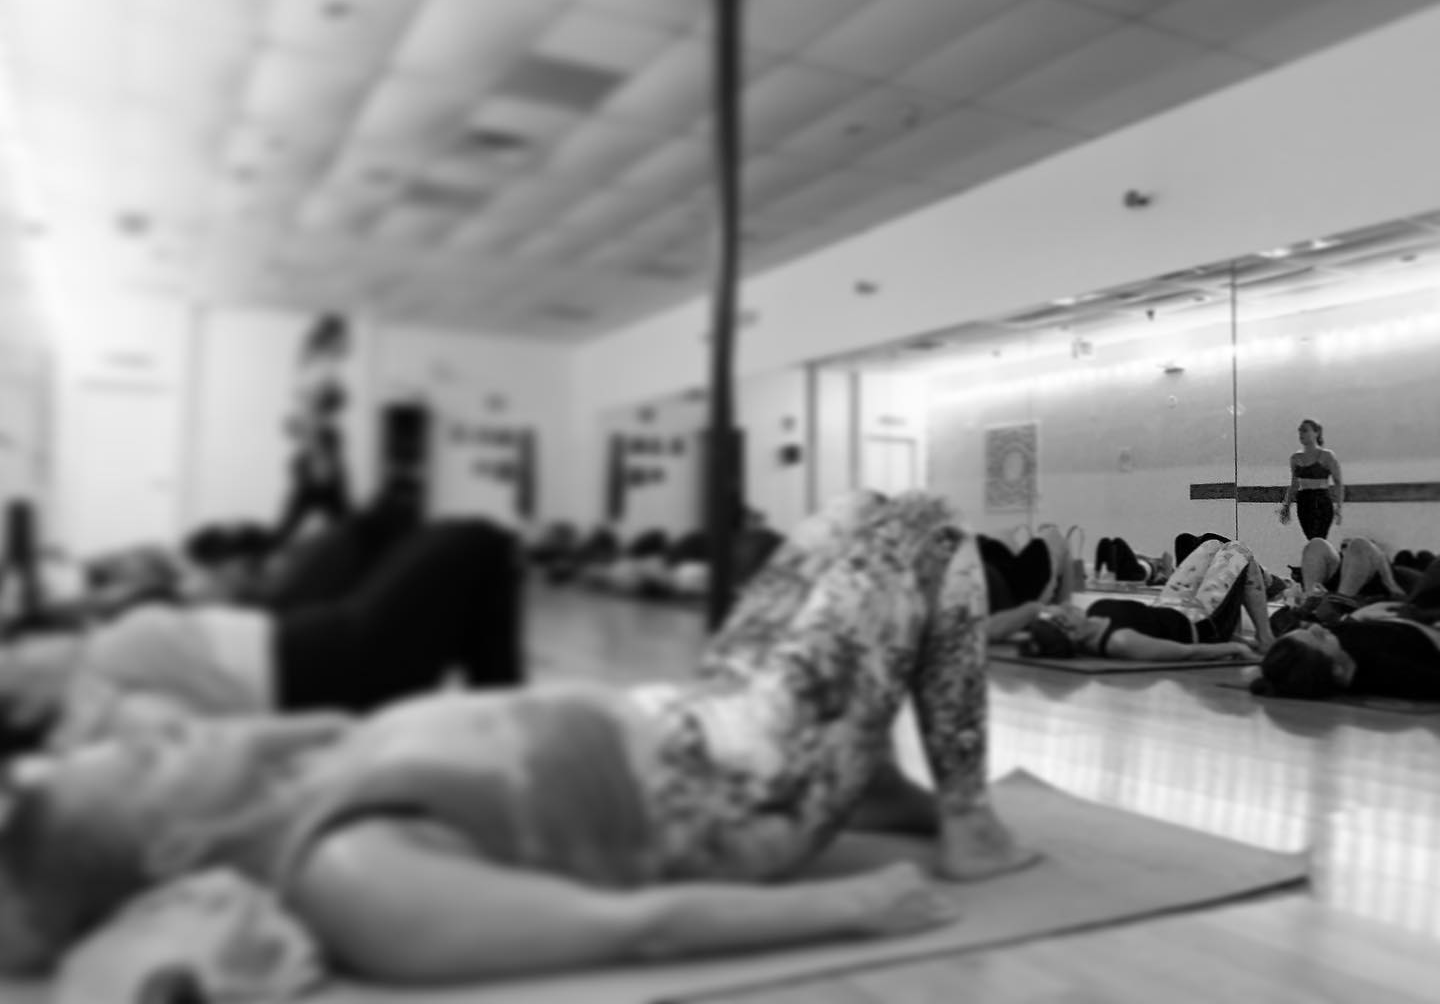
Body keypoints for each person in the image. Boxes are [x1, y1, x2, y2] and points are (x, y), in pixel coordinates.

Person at [0, 492, 1038, 979]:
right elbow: (633, 929)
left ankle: (876, 781)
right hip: (748, 782)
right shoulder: (351, 871)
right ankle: (968, 825)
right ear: (176, 847)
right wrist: (849, 908)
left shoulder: (283, 785)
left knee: (844, 517)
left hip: (694, 712)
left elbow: (274, 742)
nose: (168, 735)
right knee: (928, 535)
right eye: (149, 759)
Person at [0, 521, 524, 754]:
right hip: (335, 665)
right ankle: (511, 732)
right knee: (478, 544)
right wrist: (329, 735)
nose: (29, 643)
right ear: (25, 707)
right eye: (18, 656)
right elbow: (192, 742)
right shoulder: (94, 697)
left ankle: (506, 735)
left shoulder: (94, 658)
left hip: (308, 634)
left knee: (383, 534)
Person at [1014, 538, 1273, 662]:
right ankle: (1265, 638)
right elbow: (1186, 652)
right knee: (1238, 551)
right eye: (1062, 613)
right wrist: (1234, 648)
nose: (1066, 607)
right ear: (1068, 628)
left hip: (1169, 606)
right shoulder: (1120, 641)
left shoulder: (1093, 614)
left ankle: (1248, 632)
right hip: (1201, 622)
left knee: (1212, 545)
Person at [1250, 556, 1440, 699]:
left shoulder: (1336, 644)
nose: (1317, 629)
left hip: (1406, 611)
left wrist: (1357, 617)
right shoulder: (1389, 672)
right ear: (1337, 670)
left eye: (1307, 630)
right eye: (1318, 637)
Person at [275, 315, 353, 547]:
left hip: (314, 449)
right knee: (342, 523)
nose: (348, 342)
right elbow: (310, 415)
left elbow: (298, 418)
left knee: (335, 520)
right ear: (331, 338)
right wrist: (320, 457)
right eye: (344, 337)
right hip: (319, 449)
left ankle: (267, 554)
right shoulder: (321, 368)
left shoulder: (312, 364)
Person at [1278, 419, 1344, 540]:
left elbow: (1338, 482)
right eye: (1300, 430)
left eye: (1305, 430)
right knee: (1311, 539)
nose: (1301, 433)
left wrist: (1338, 507)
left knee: (1320, 539)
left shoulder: (1327, 456)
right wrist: (1286, 506)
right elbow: (1294, 485)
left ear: (1316, 433)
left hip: (1322, 500)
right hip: (1304, 502)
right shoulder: (1295, 458)